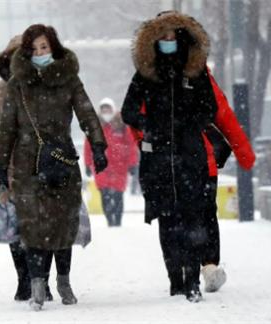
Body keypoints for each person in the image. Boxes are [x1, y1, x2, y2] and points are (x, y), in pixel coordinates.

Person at [122, 11, 255, 302]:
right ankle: (176, 279)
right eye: (163, 34)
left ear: (183, 36)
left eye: (174, 33)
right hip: (159, 160)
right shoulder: (146, 73)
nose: (169, 39)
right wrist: (150, 129)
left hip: (192, 157)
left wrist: (190, 126)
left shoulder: (196, 72)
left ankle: (197, 276)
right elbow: (130, 113)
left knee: (196, 218)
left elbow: (215, 110)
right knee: (168, 222)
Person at [0, 24, 107, 310]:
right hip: (26, 164)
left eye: (44, 47)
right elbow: (6, 127)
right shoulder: (17, 84)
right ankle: (36, 284)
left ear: (53, 47)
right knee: (32, 225)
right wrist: (0, 166)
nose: (39, 53)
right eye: (33, 49)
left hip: (61, 160)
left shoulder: (68, 79)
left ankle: (64, 280)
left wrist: (98, 144)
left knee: (63, 222)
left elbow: (86, 111)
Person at [84, 98, 138, 227]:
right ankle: (110, 221)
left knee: (118, 195)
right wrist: (87, 164)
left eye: (108, 109)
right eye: (103, 109)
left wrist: (132, 164)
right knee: (105, 195)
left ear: (113, 110)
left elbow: (131, 146)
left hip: (120, 167)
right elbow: (88, 147)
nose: (106, 112)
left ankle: (118, 222)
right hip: (101, 167)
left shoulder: (122, 125)